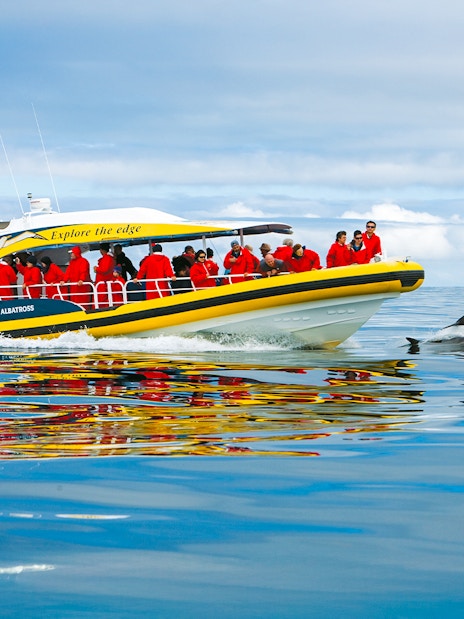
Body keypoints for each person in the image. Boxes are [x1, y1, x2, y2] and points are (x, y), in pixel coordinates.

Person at [94, 243, 116, 307]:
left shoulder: (107, 258)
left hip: (103, 282)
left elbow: (104, 269)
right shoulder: (110, 258)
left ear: (101, 250)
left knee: (102, 299)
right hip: (104, 282)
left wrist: (97, 269)